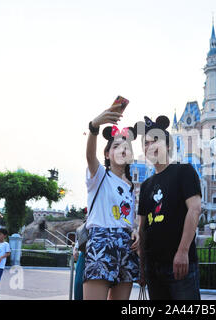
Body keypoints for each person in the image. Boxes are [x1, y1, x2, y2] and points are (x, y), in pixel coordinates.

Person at [137, 115, 202, 300]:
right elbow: (142, 227)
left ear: (168, 145)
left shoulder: (184, 171)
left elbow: (194, 209)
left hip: (179, 266)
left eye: (155, 140)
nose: (149, 146)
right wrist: (142, 267)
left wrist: (182, 252)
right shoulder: (146, 186)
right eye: (146, 143)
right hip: (152, 268)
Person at [83, 107, 140, 300]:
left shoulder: (131, 186)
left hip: (126, 244)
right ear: (107, 154)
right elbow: (90, 157)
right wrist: (94, 127)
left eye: (126, 147)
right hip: (102, 240)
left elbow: (127, 218)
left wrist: (134, 230)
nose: (122, 150)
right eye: (115, 146)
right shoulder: (99, 176)